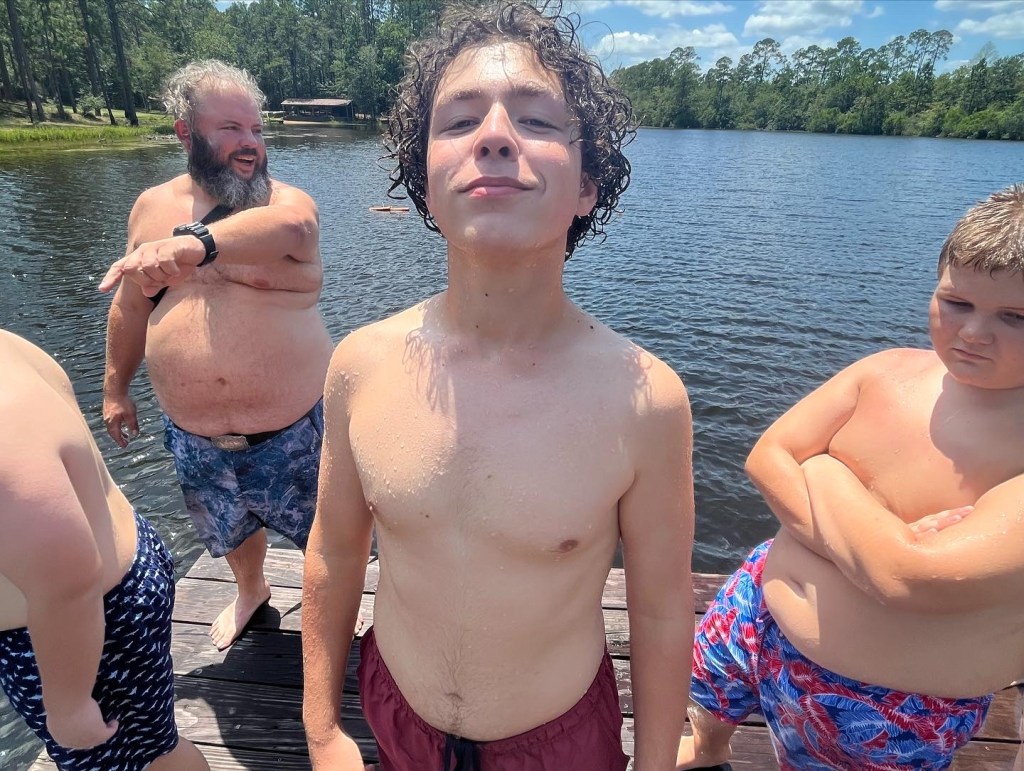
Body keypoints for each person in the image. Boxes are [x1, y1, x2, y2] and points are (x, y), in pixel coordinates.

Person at [301, 3, 695, 770]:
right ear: (424, 180)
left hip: (558, 742)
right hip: (396, 714)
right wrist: (321, 728)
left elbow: (659, 609)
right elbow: (334, 553)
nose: (493, 135)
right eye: (459, 121)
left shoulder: (646, 399)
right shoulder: (359, 364)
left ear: (588, 184)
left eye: (536, 119)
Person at [677, 184, 1024, 770]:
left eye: (1014, 317)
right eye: (957, 303)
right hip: (759, 612)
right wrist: (870, 544)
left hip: (894, 708)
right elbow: (768, 456)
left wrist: (824, 471)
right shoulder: (884, 372)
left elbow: (909, 579)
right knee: (709, 692)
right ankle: (710, 748)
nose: (972, 333)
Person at [98, 60, 334, 650]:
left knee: (328, 533)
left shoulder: (285, 202)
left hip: (297, 428)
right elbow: (130, 306)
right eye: (231, 128)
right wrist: (115, 388)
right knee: (230, 529)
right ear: (186, 133)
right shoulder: (150, 208)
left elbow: (292, 229)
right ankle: (252, 591)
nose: (250, 143)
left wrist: (194, 244)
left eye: (256, 129)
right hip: (196, 434)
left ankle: (333, 606)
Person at [0, 329, 210, 770]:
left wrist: (69, 704)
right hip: (116, 581)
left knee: (137, 756)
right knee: (157, 746)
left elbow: (65, 573)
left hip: (82, 624)